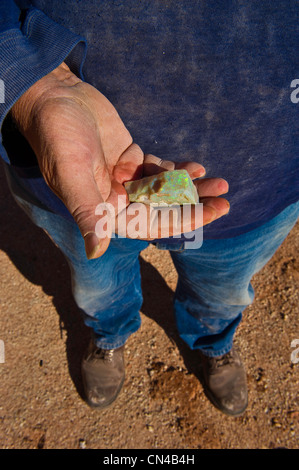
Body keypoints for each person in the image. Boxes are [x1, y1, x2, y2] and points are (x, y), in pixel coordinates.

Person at [0, 1, 298, 417]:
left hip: (259, 189)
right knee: (96, 284)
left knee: (223, 294)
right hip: (76, 178)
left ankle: (214, 344)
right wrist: (32, 82)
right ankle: (109, 335)